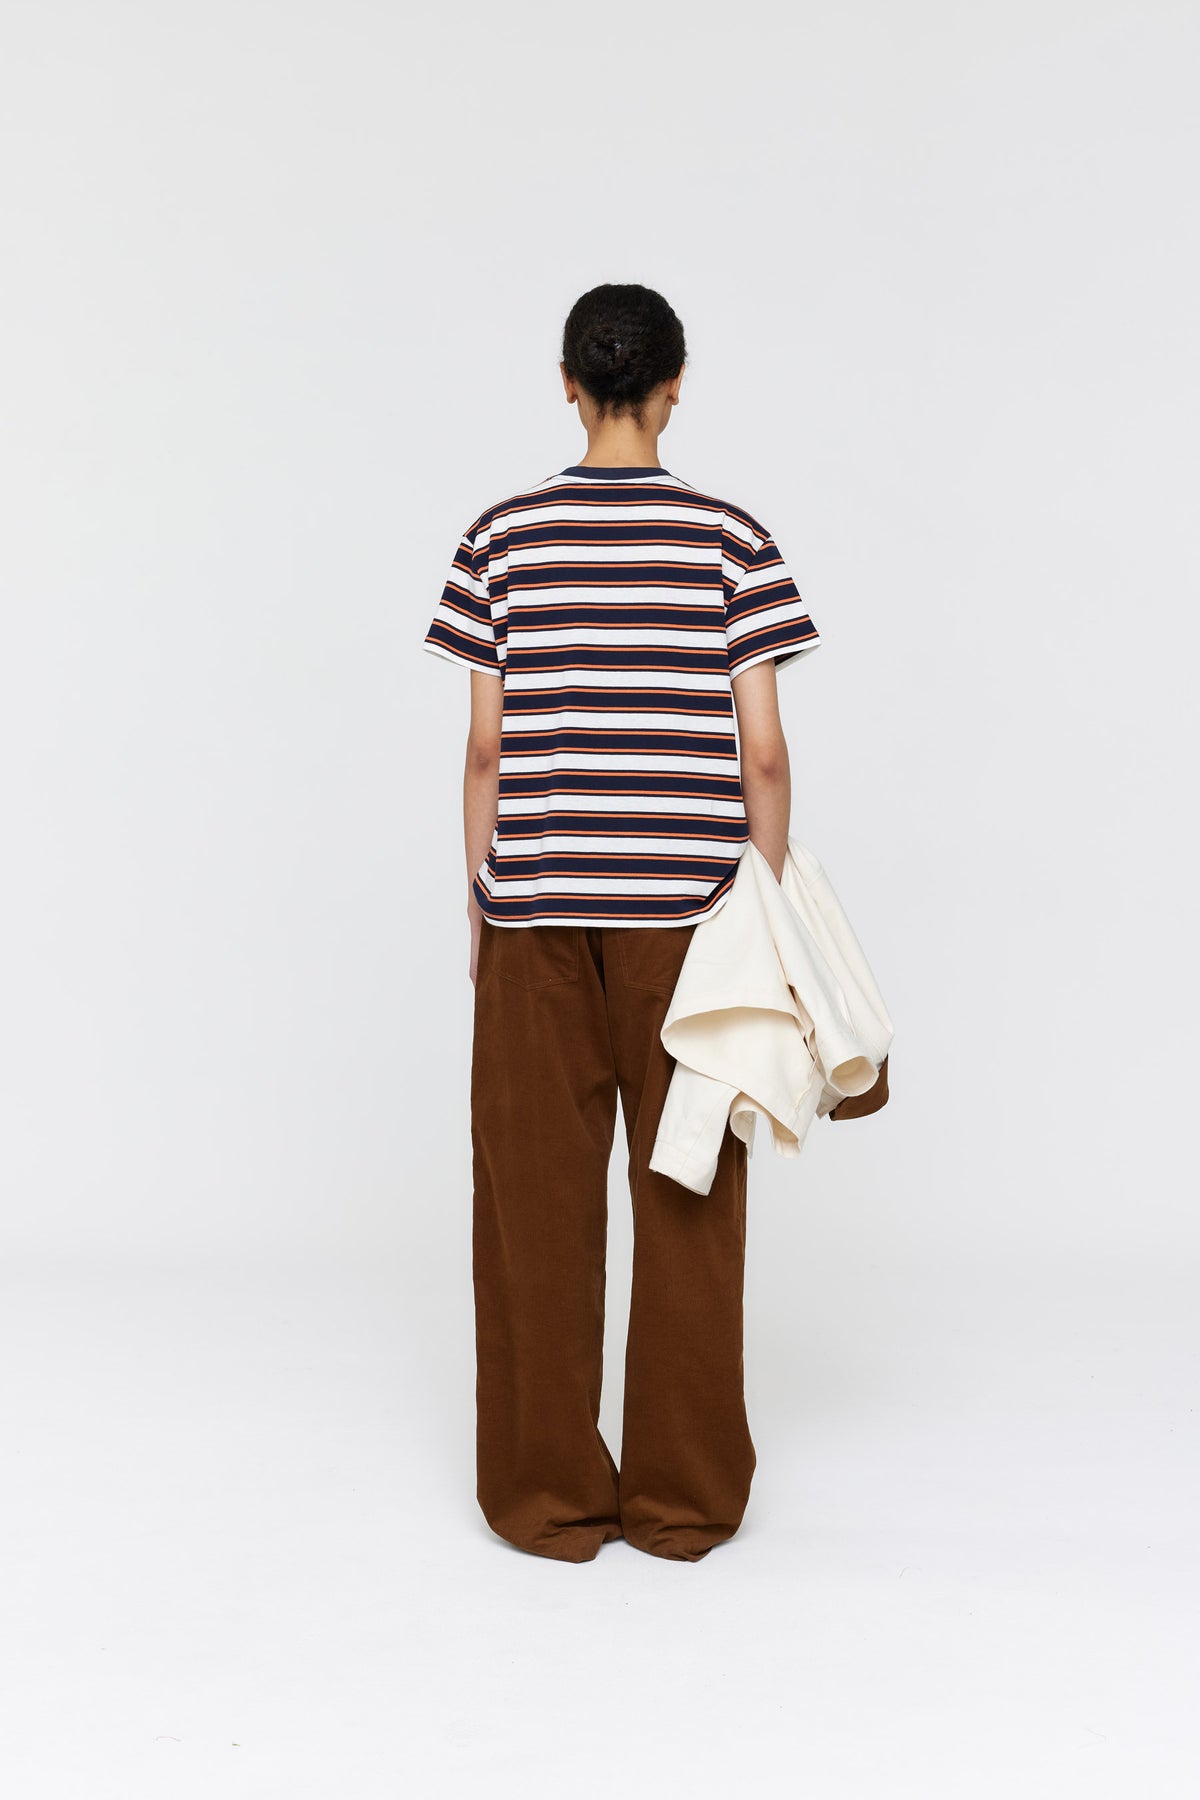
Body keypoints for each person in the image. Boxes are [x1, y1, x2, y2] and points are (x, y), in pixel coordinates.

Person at [423, 282, 821, 1563]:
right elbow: (765, 756)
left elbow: (484, 751)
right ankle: (684, 1500)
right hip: (691, 928)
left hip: (535, 916)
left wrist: (480, 906)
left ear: (567, 382)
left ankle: (546, 1499)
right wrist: (762, 913)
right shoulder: (731, 540)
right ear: (674, 385)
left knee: (532, 1208)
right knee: (690, 1195)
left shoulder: (501, 537)